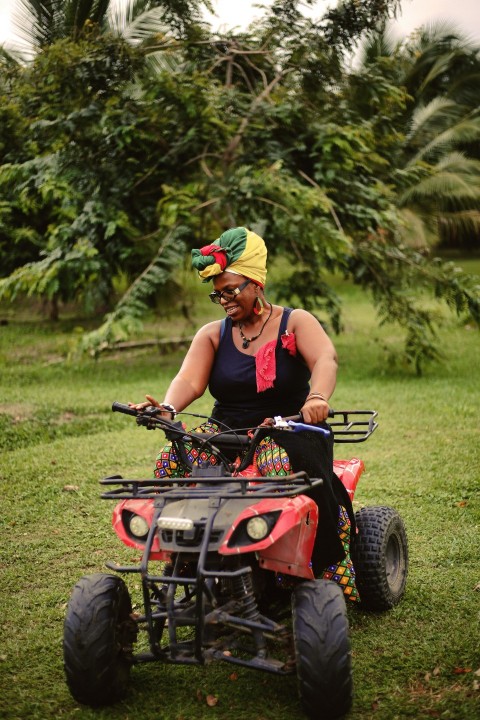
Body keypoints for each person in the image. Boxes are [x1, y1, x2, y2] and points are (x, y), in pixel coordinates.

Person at [130, 226, 359, 601]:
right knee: (173, 459)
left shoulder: (296, 321)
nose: (223, 300)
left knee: (276, 465)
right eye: (217, 293)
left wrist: (317, 397)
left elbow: (326, 359)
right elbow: (188, 379)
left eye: (231, 290)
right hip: (228, 430)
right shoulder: (213, 334)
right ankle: (188, 560)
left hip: (290, 427)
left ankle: (314, 569)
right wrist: (168, 408)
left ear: (256, 283)